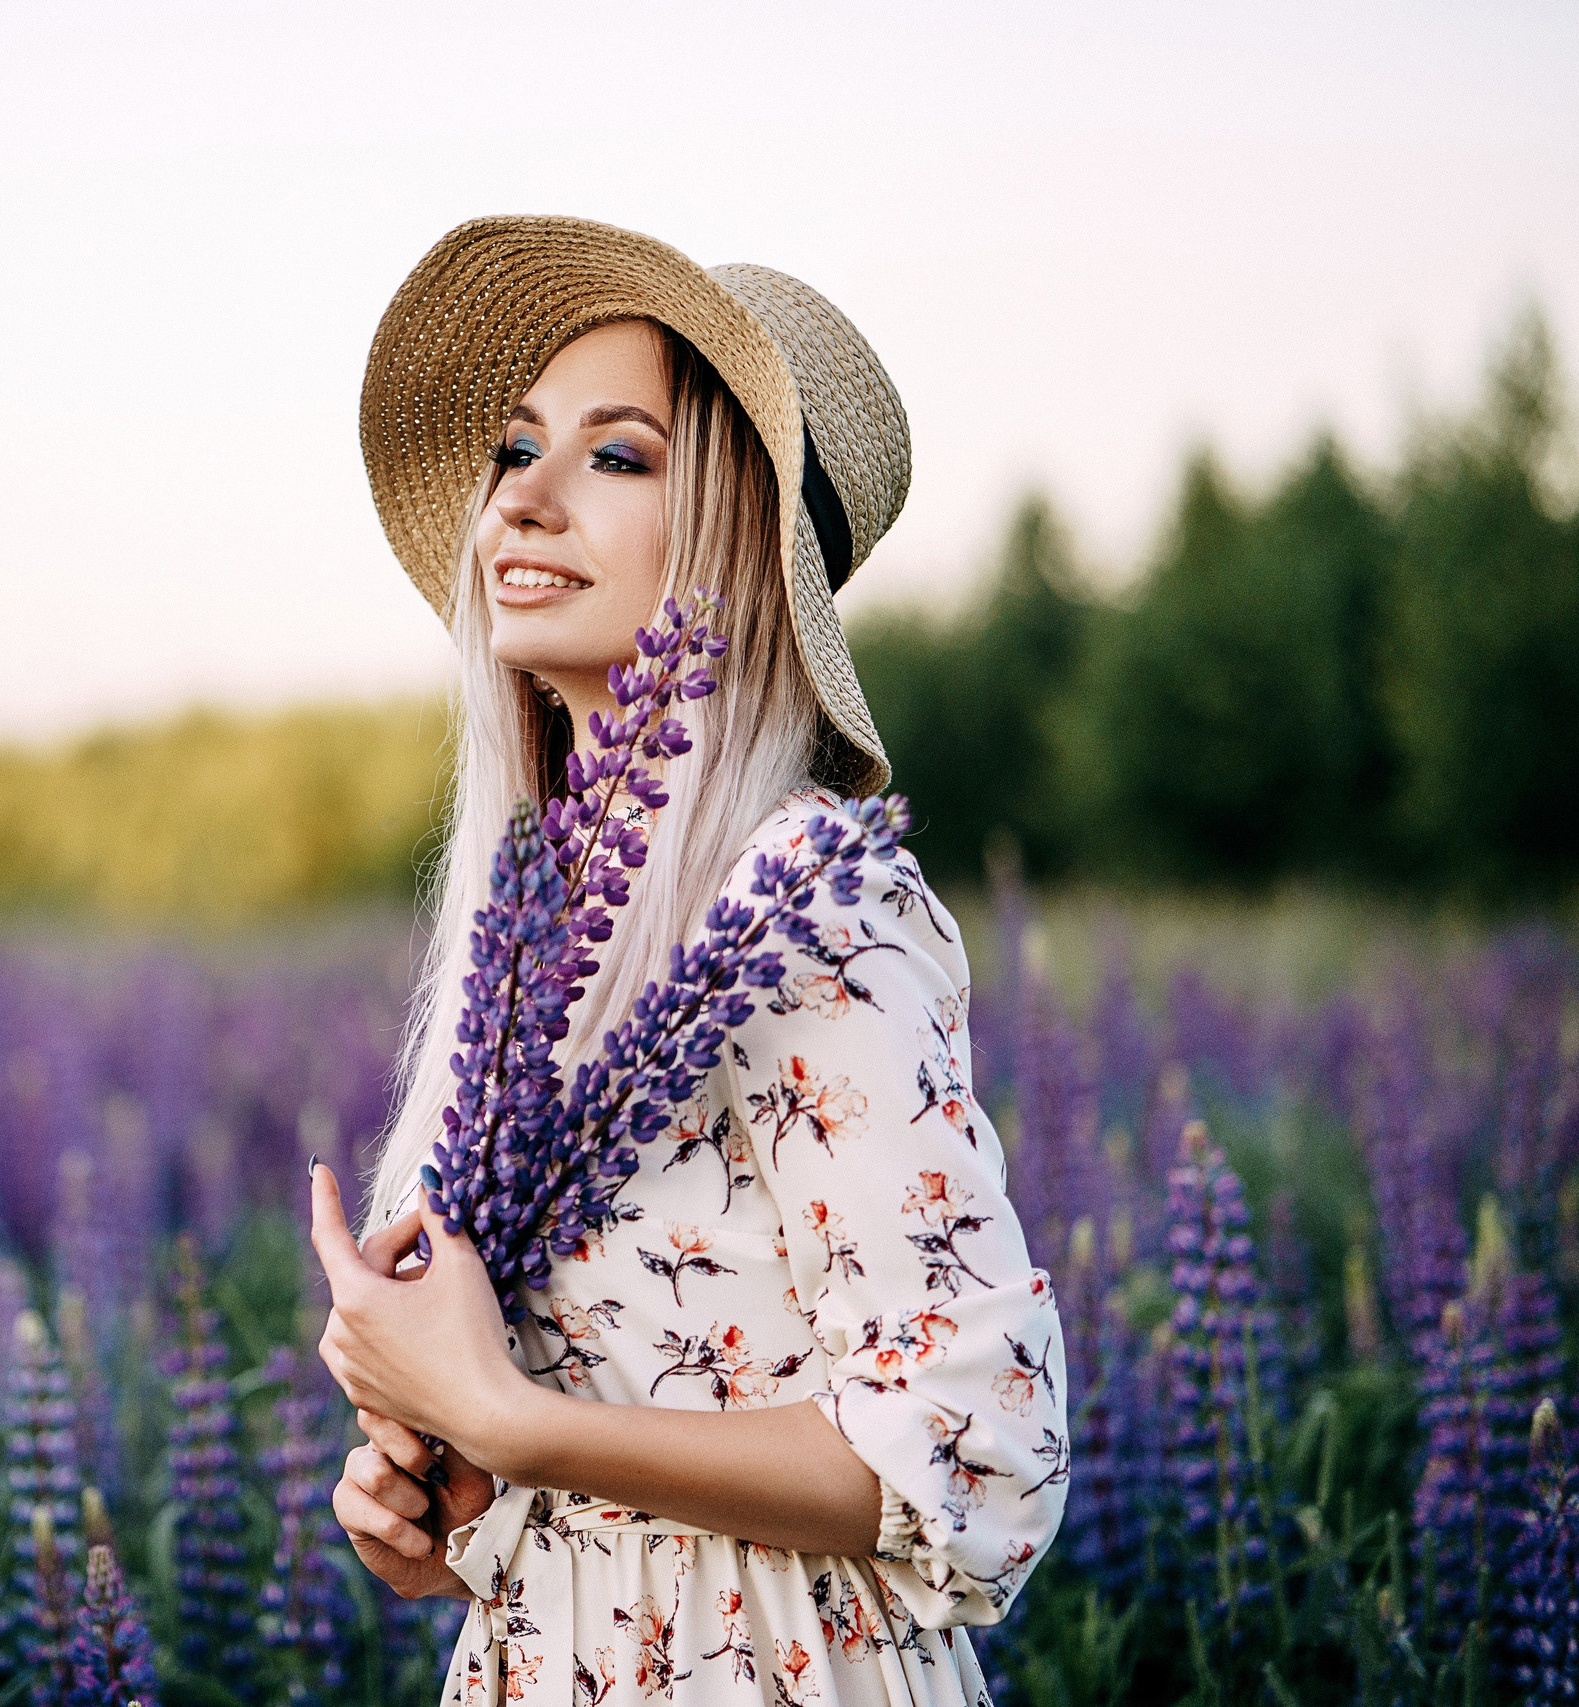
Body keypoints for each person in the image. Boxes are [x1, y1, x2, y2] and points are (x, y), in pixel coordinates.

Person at [307, 216, 1067, 1707]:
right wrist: (451, 1506)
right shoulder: (531, 921)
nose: (521, 499)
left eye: (616, 455)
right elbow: (613, 1425)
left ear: (737, 542)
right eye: (515, 449)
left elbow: (976, 1449)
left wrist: (513, 1422)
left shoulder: (808, 898)